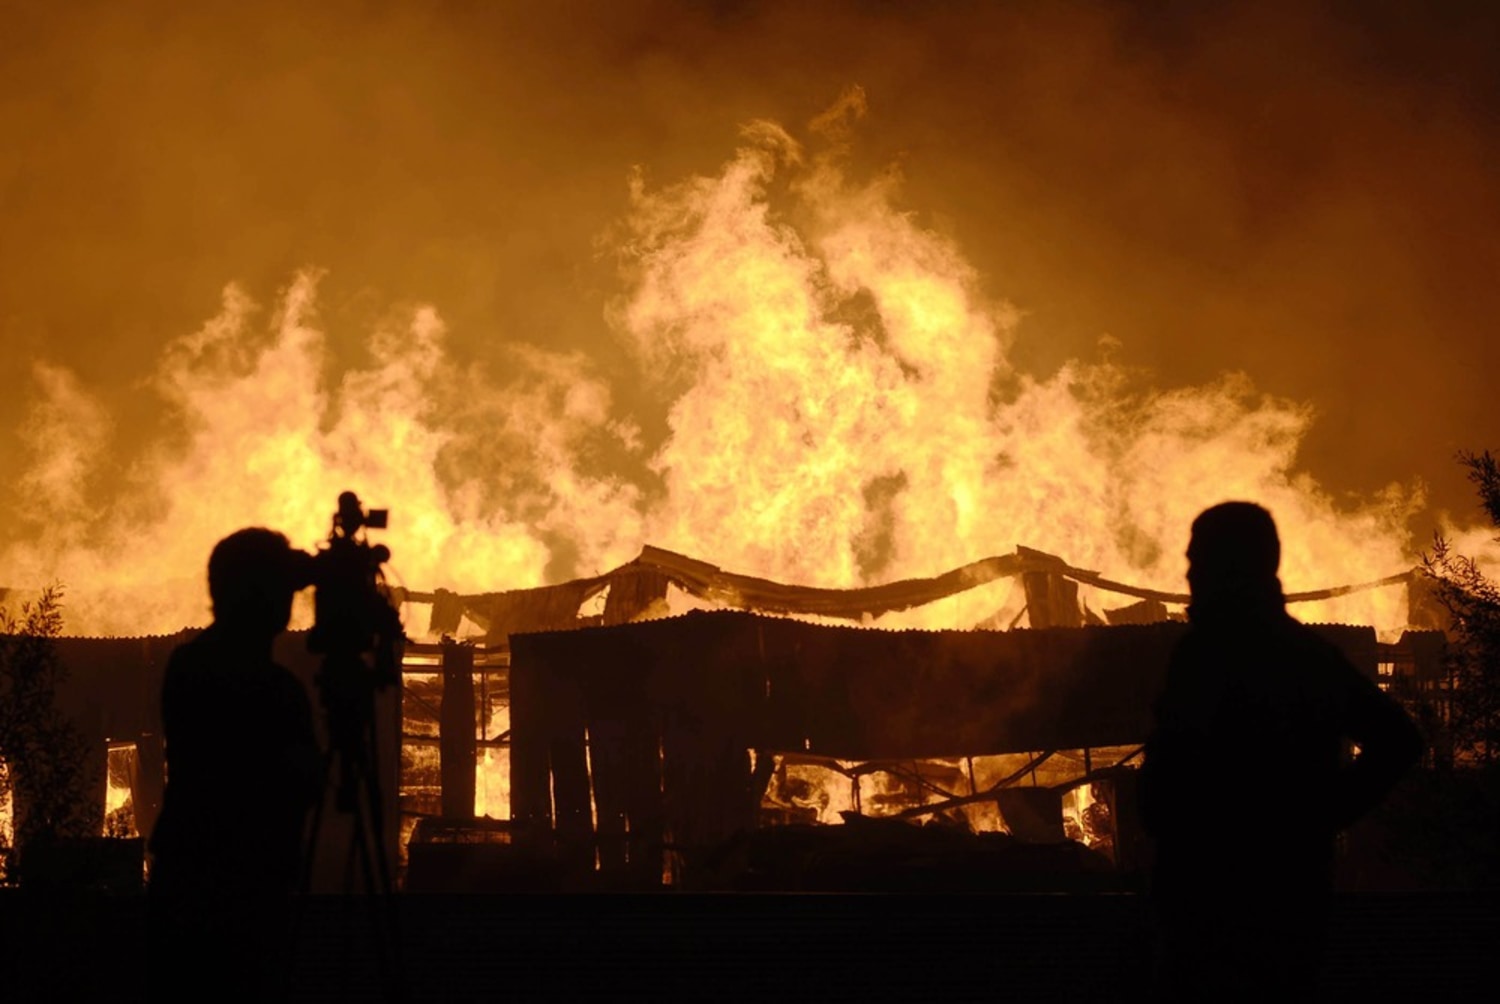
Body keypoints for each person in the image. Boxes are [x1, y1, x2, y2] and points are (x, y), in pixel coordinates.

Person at [1140, 502, 1422, 1000]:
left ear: (1232, 567)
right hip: (1268, 899)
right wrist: (1319, 818)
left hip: (1231, 906)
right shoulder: (1299, 654)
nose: (1189, 575)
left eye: (1199, 561)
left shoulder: (1230, 655)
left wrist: (1314, 817)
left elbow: (1397, 741)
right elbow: (1397, 741)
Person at [148, 527, 322, 1001]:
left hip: (187, 885)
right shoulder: (275, 690)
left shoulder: (188, 665)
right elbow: (305, 784)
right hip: (250, 893)